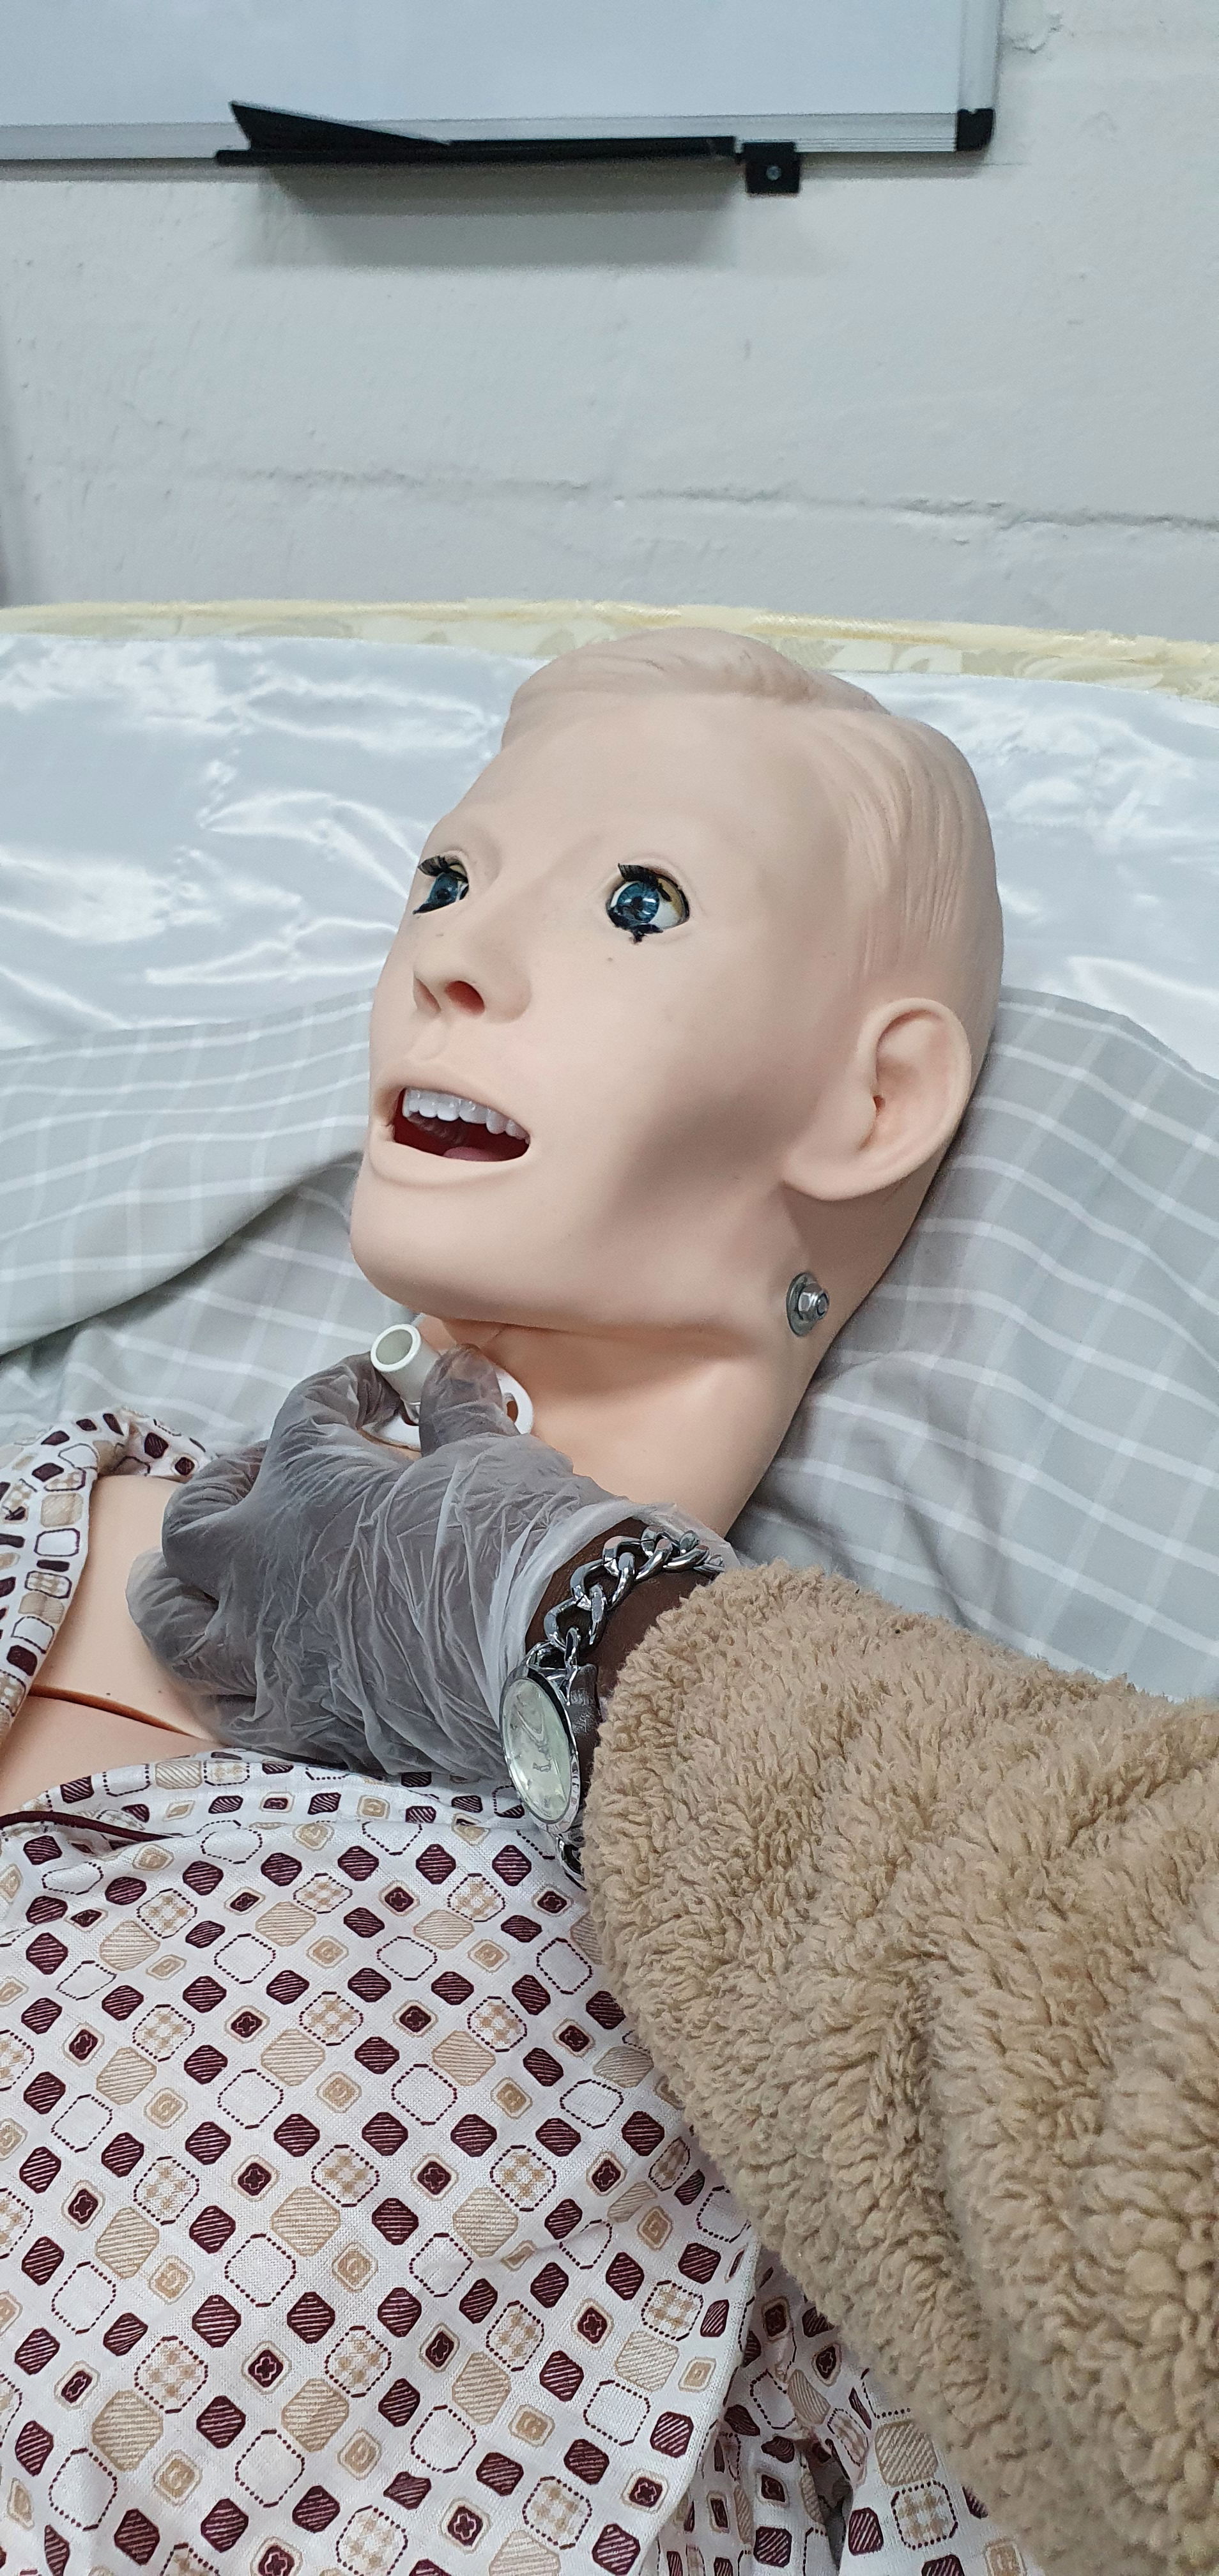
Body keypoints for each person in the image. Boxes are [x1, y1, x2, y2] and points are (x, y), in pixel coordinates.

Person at [4, 632, 1198, 2573]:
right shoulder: (62, 1495)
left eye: (641, 903)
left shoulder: (785, 2053)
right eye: (443, 880)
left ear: (876, 1099)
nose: (451, 958)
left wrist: (558, 1621)